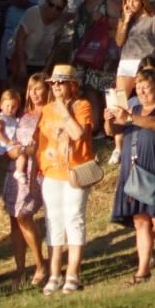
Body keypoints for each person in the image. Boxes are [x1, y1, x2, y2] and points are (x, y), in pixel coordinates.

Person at [108, 67, 155, 285]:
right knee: (140, 221)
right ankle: (142, 269)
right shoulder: (135, 108)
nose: (140, 91)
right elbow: (114, 131)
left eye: (145, 86)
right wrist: (109, 119)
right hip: (132, 171)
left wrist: (130, 117)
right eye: (138, 86)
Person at [37, 65, 96, 293]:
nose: (56, 87)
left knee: (74, 219)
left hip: (75, 171)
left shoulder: (82, 105)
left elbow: (78, 133)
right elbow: (43, 141)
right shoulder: (47, 109)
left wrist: (63, 109)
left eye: (61, 82)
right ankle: (54, 274)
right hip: (52, 172)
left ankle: (72, 273)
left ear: (72, 85)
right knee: (53, 221)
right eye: (53, 83)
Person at [0, 80, 47, 288]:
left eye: (38, 88)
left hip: (35, 170)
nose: (33, 93)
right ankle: (20, 269)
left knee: (24, 216)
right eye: (30, 89)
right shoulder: (22, 116)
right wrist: (16, 150)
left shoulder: (47, 113)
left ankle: (41, 264)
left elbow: (39, 146)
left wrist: (25, 151)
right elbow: (9, 146)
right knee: (15, 221)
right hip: (15, 170)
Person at [114, 0, 155, 98]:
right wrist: (126, 21)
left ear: (142, 0)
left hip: (146, 63)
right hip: (127, 61)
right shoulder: (123, 18)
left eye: (134, 1)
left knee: (147, 96)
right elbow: (119, 42)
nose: (130, 4)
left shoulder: (154, 18)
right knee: (121, 99)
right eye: (128, 1)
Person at [9, 0, 69, 82]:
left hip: (39, 62)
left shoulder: (60, 22)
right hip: (19, 57)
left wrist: (46, 69)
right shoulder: (33, 12)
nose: (53, 9)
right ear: (46, 3)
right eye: (51, 5)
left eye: (58, 8)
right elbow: (20, 38)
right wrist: (22, 65)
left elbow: (54, 49)